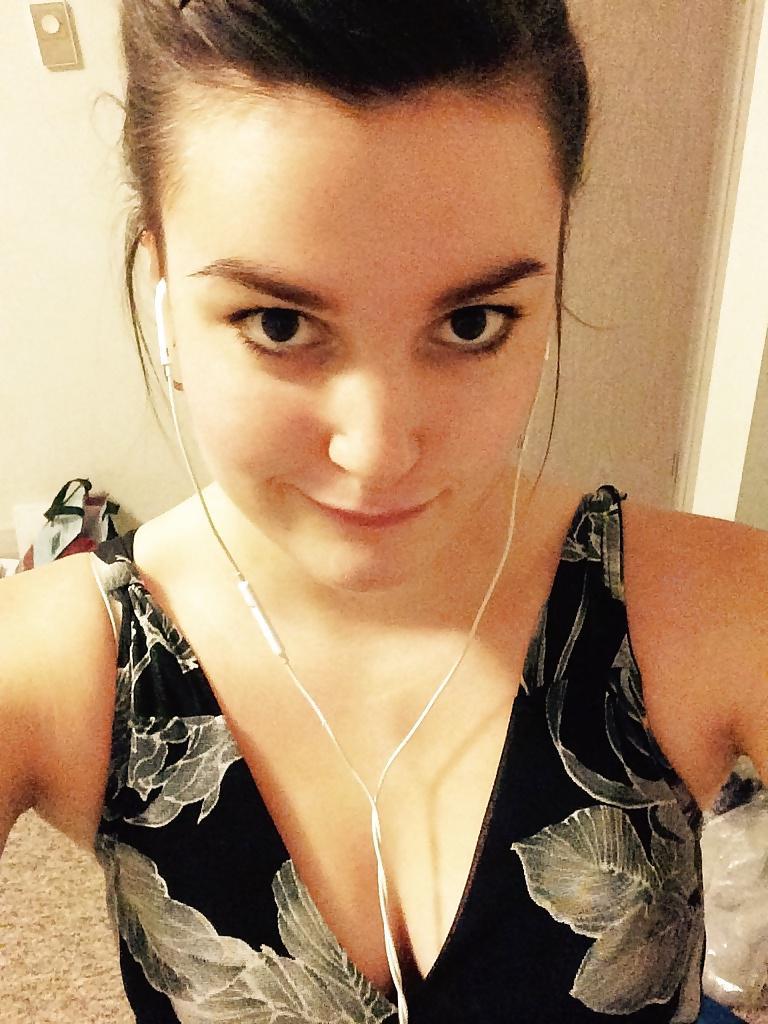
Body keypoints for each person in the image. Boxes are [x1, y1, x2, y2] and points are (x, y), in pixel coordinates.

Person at [1, 0, 765, 1021]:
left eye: (472, 321)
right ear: (163, 290)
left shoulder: (718, 611)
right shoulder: (57, 669)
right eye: (280, 323)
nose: (377, 450)